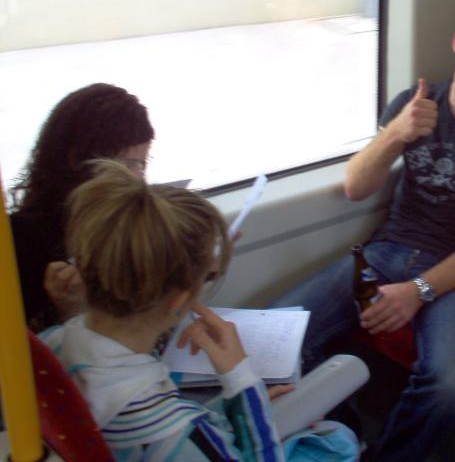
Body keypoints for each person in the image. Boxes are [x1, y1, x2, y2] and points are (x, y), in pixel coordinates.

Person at [271, 0, 455, 460]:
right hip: (387, 251)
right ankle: (347, 437)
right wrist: (397, 132)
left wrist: (420, 290)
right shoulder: (414, 104)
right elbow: (356, 187)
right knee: (280, 337)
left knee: (448, 385)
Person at [40, 161, 358, 461]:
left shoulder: (49, 345)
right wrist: (242, 382)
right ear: (179, 300)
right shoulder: (177, 431)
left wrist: (226, 412)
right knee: (338, 439)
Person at [10, 83, 155, 332]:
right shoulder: (25, 240)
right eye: (126, 164)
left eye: (141, 165)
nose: (137, 179)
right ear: (76, 159)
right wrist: (69, 310)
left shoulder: (123, 222)